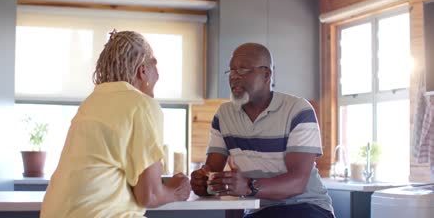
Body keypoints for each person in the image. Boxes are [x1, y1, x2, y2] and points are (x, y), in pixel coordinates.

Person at [41, 30, 191, 218]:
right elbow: (150, 195)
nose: (158, 75)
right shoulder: (142, 104)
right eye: (155, 65)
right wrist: (176, 191)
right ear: (142, 71)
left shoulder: (92, 101)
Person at [190, 43, 334, 218]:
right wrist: (202, 181)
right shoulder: (224, 115)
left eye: (243, 70)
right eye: (231, 71)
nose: (234, 77)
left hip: (306, 206)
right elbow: (212, 169)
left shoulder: (298, 110)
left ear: (267, 75)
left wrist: (248, 186)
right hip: (260, 210)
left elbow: (297, 183)